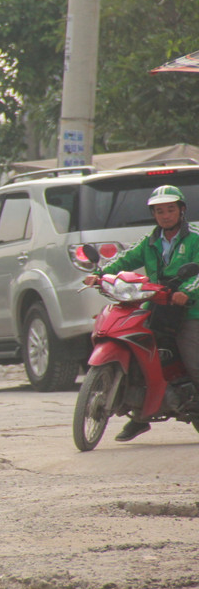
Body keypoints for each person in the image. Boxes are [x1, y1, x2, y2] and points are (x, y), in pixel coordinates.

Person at [84, 184, 199, 442]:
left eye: (170, 209)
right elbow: (124, 260)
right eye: (160, 211)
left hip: (190, 311)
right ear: (153, 214)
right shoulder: (150, 241)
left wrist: (186, 292)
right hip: (156, 306)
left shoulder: (195, 239)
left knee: (195, 363)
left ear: (181, 210)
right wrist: (100, 274)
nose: (165, 215)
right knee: (137, 352)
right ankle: (140, 415)